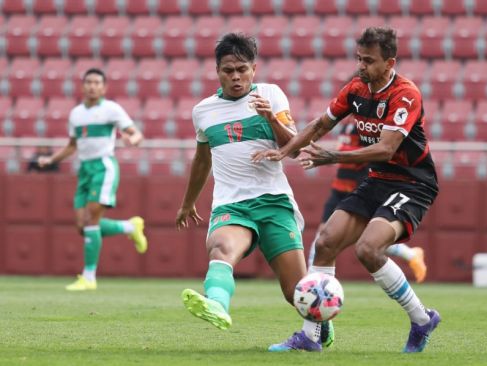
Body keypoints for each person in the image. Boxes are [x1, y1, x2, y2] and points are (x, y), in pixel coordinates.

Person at [253, 27, 440, 353]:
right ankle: (310, 337)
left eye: (369, 61)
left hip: (412, 182)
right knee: (325, 242)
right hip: (378, 180)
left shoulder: (405, 94)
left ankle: (421, 318)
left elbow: (385, 148)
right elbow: (319, 125)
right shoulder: (356, 88)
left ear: (389, 62)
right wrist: (286, 151)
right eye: (359, 58)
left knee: (368, 249)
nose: (361, 66)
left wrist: (332, 156)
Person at [174, 33, 328, 344]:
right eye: (228, 70)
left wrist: (270, 118)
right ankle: (216, 304)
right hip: (232, 206)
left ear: (253, 69)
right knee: (220, 248)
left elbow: (296, 150)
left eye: (241, 69)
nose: (235, 77)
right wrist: (188, 202)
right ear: (217, 71)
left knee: (296, 292)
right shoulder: (203, 111)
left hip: (274, 203)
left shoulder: (271, 95)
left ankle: (320, 330)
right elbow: (202, 160)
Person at [38, 68, 148, 291]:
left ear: (104, 87)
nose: (92, 86)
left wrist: (133, 139)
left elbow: (135, 133)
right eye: (88, 82)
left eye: (97, 82)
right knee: (82, 226)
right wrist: (51, 160)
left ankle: (89, 277)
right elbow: (72, 146)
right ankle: (129, 226)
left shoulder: (111, 109)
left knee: (90, 219)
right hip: (85, 170)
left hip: (103, 167)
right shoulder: (76, 114)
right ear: (82, 86)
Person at [308, 120, 428, 283]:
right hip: (339, 188)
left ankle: (312, 282)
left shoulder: (365, 125)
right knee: (324, 238)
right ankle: (311, 282)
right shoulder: (346, 125)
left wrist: (337, 153)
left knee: (366, 239)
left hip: (357, 187)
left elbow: (367, 153)